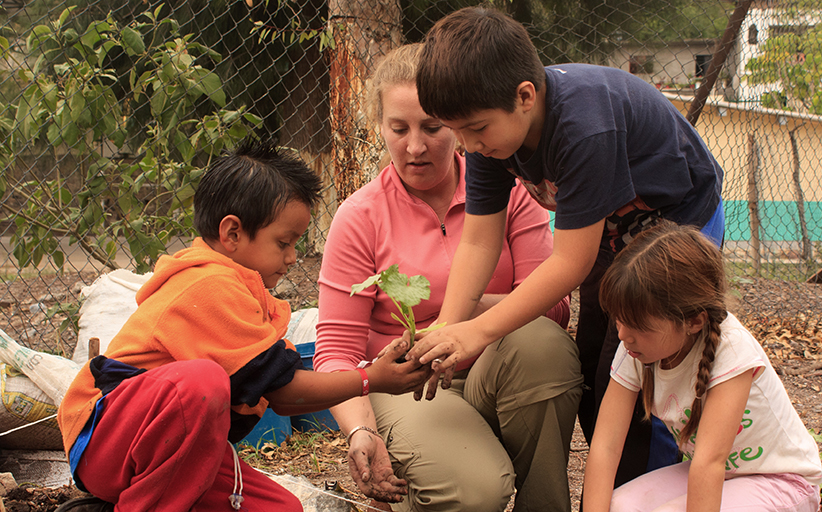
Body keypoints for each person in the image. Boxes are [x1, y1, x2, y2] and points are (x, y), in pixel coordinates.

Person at [409, 6, 726, 486]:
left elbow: (570, 263)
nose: (468, 146)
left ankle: (659, 489)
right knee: (597, 371)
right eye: (458, 131)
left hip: (680, 228)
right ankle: (617, 489)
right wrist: (451, 326)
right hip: (613, 233)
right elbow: (478, 238)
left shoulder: (584, 125)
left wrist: (479, 332)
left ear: (524, 96)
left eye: (475, 129)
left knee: (648, 370)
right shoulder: (491, 137)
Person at [56, 141, 431, 512]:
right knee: (202, 382)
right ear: (232, 233)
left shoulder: (245, 293)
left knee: (283, 509)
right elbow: (285, 392)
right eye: (283, 242)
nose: (293, 256)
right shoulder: (207, 285)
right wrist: (372, 379)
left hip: (182, 457)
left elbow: (282, 394)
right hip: (106, 443)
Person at [314, 43, 583, 512]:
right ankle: (438, 487)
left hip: (497, 369)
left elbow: (554, 307)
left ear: (458, 126)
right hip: (409, 388)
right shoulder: (359, 216)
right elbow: (337, 351)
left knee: (541, 343)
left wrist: (463, 316)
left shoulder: (510, 190)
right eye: (398, 128)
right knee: (475, 493)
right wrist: (361, 428)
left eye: (432, 127)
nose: (414, 146)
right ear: (380, 126)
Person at [581, 221, 822, 511]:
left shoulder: (732, 351)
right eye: (619, 319)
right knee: (619, 505)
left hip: (780, 481)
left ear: (694, 321)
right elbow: (606, 447)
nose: (622, 335)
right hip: (722, 473)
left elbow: (710, 463)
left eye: (637, 325)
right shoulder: (636, 347)